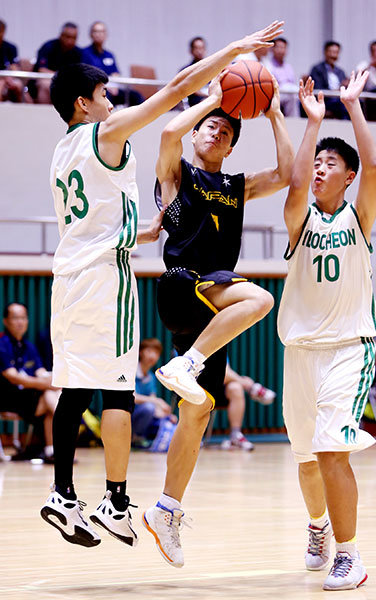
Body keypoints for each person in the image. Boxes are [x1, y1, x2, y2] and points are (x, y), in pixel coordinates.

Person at [39, 20, 285, 550]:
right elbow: (172, 98)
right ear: (84, 103)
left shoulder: (63, 151)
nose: (112, 101)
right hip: (108, 280)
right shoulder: (103, 132)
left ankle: (66, 494)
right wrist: (230, 57)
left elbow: (96, 216)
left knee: (80, 385)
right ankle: (117, 500)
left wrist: (139, 230)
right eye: (104, 94)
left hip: (74, 272)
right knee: (120, 389)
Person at [144, 50, 293, 567]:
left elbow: (289, 172)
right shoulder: (177, 171)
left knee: (199, 413)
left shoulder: (237, 186)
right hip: (185, 284)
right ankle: (184, 363)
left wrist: (273, 113)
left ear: (232, 146)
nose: (217, 134)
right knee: (261, 297)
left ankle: (167, 509)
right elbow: (165, 135)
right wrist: (213, 97)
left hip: (212, 308)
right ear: (197, 131)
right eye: (210, 127)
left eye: (226, 132)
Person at [277, 71, 376, 591]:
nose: (319, 169)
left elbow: (375, 164)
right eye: (317, 163)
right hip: (299, 351)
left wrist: (350, 105)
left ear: (348, 177)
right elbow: (295, 185)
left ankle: (350, 554)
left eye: (330, 164)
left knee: (332, 451)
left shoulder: (359, 219)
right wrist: (312, 125)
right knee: (306, 459)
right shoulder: (300, 222)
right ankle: (317, 527)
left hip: (348, 347)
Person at [0, 303, 60, 462]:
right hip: (8, 399)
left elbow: (41, 372)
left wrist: (53, 381)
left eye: (23, 318)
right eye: (15, 318)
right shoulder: (2, 344)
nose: (20, 322)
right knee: (49, 394)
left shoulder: (29, 347)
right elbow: (15, 378)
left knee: (50, 395)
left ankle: (51, 450)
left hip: (29, 399)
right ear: (6, 321)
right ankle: (65, 423)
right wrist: (48, 384)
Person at [81, 21, 143, 107]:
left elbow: (115, 73)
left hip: (112, 88)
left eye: (102, 31)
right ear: (91, 34)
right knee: (105, 97)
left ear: (106, 35)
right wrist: (105, 86)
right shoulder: (84, 53)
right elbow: (86, 76)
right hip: (96, 90)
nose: (99, 34)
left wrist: (114, 86)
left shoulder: (109, 55)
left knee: (135, 96)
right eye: (96, 31)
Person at [219, 363, 276, 451]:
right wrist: (244, 382)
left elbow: (225, 370)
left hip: (217, 387)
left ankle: (235, 435)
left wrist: (239, 380)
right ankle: (252, 387)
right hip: (199, 385)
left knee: (235, 388)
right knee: (240, 380)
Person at [132, 337, 176, 447]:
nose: (152, 356)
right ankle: (134, 437)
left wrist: (166, 414)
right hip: (131, 416)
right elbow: (133, 397)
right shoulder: (132, 372)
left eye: (156, 353)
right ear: (140, 352)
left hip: (146, 417)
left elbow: (154, 402)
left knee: (169, 419)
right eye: (149, 351)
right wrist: (156, 401)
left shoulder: (151, 377)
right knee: (149, 408)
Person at [31, 22, 82, 104]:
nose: (70, 41)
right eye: (68, 37)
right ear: (61, 35)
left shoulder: (78, 52)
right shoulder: (48, 46)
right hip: (47, 79)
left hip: (66, 82)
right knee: (46, 85)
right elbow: (42, 69)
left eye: (74, 38)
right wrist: (60, 76)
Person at [309, 41, 348, 119]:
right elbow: (318, 89)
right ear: (325, 52)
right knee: (343, 105)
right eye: (331, 52)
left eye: (336, 52)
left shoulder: (341, 72)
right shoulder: (317, 69)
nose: (333, 55)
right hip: (326, 100)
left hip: (340, 99)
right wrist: (337, 90)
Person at [266, 37, 296, 116]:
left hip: (290, 93)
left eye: (283, 48)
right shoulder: (268, 65)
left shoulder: (289, 67)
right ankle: (292, 120)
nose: (281, 51)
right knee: (292, 96)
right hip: (275, 94)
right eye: (278, 47)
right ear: (273, 49)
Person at [179, 36, 208, 107]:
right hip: (196, 103)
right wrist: (207, 95)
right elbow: (190, 89)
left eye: (202, 48)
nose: (199, 51)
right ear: (191, 51)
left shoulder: (212, 68)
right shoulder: (186, 70)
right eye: (197, 48)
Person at [0, 20, 24, 102]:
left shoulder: (10, 47)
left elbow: (15, 67)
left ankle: (24, 109)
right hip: (2, 78)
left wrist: (9, 77)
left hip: (9, 77)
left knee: (19, 85)